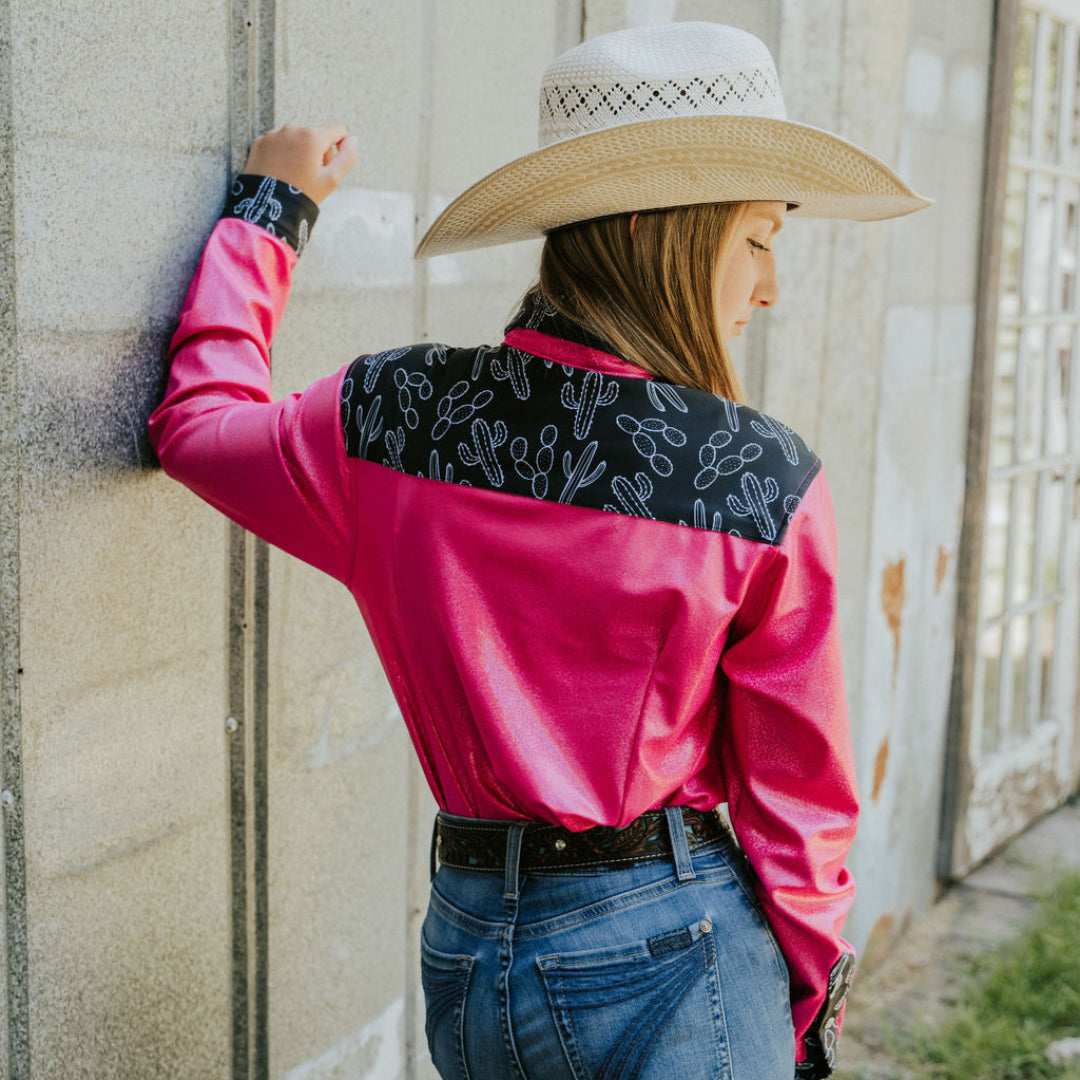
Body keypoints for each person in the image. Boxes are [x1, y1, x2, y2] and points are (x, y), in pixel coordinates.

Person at [149, 21, 930, 1080]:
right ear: (670, 232)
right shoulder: (759, 482)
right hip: (678, 952)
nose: (769, 287)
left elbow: (195, 429)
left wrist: (270, 213)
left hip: (471, 953)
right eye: (757, 239)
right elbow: (800, 805)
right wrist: (803, 1021)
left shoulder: (391, 417)